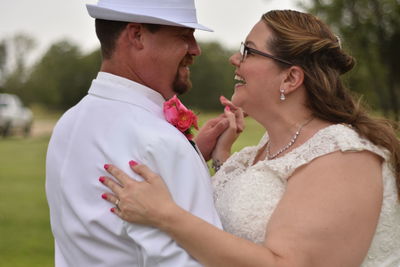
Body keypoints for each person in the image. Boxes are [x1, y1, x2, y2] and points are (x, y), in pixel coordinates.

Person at [99, 10, 400, 267]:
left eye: (249, 52)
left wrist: (165, 216)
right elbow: (260, 201)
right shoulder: (265, 150)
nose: (234, 59)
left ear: (291, 79)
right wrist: (220, 156)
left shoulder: (342, 157)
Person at [45, 0, 237, 266]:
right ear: (137, 35)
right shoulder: (159, 142)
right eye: (184, 35)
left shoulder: (69, 123)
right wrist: (183, 158)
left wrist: (193, 155)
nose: (196, 49)